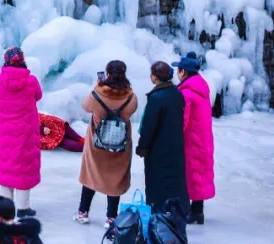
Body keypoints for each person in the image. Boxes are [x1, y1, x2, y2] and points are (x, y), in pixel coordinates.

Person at [75, 60, 138, 230]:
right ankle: (111, 217)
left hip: (97, 144)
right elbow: (132, 110)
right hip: (120, 144)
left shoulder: (97, 94)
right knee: (115, 179)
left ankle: (83, 212)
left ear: (107, 74)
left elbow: (85, 106)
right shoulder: (131, 97)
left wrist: (99, 87)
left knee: (91, 174)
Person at [0, 46, 43, 219]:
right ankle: (23, 208)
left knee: (6, 166)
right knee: (23, 167)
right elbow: (38, 96)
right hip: (25, 131)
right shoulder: (31, 81)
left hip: (4, 131)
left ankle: (7, 208)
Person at [137, 61, 189, 213]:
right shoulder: (177, 94)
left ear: (155, 77)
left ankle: (157, 213)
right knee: (175, 180)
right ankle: (177, 211)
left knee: (156, 181)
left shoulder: (156, 98)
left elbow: (149, 125)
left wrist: (143, 146)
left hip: (158, 148)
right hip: (176, 145)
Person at [175, 52, 215, 225]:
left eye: (179, 69)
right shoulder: (201, 88)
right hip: (203, 138)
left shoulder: (187, 93)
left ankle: (194, 212)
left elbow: (182, 121)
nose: (177, 72)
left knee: (192, 174)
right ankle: (197, 209)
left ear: (184, 72)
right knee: (199, 172)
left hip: (192, 140)